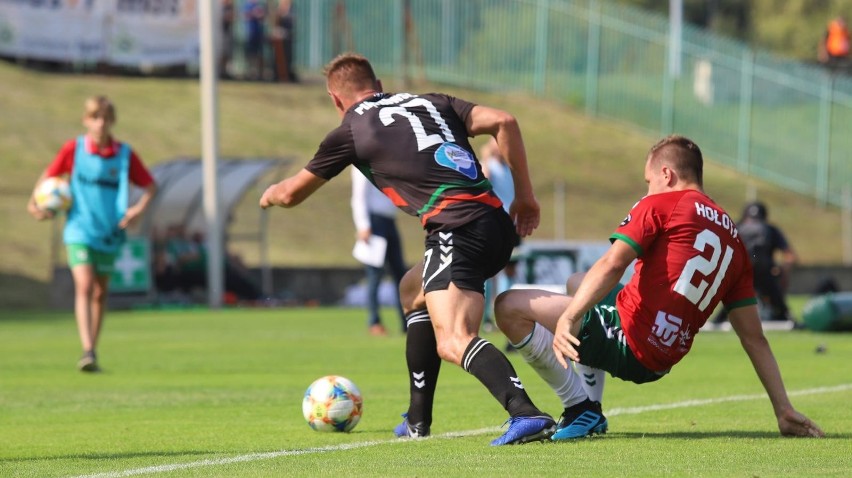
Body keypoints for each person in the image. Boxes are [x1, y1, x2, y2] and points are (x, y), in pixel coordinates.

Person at [261, 53, 554, 445]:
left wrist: (270, 196)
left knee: (453, 338)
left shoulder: (350, 129)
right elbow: (505, 121)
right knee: (410, 291)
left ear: (335, 99)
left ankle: (525, 412)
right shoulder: (434, 101)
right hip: (495, 222)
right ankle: (417, 419)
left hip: (456, 227)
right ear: (378, 85)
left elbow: (292, 193)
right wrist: (526, 198)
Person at [493, 135, 824, 441]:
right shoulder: (734, 240)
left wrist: (568, 318)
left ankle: (580, 407)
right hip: (663, 357)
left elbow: (612, 264)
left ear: (666, 174)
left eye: (649, 181)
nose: (648, 189)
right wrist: (783, 409)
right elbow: (754, 336)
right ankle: (590, 408)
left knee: (508, 306)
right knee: (578, 282)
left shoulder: (663, 205)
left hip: (630, 338)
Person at [27, 95, 157, 373]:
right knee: (84, 286)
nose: (100, 123)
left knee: (100, 292)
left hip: (110, 232)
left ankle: (92, 351)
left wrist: (137, 210)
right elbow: (50, 176)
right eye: (95, 117)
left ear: (112, 122)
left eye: (106, 118)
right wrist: (34, 202)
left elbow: (150, 186)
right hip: (79, 229)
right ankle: (86, 350)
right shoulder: (73, 149)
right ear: (86, 120)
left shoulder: (123, 154)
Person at [713, 201, 798, 325]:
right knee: (780, 308)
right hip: (766, 275)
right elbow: (790, 256)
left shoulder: (736, 227)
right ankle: (783, 314)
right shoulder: (770, 229)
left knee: (730, 302)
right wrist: (781, 270)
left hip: (741, 273)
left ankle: (719, 319)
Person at [350, 167, 408, 336]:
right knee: (375, 274)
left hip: (389, 220)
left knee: (400, 273)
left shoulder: (380, 160)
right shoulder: (360, 165)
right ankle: (374, 321)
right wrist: (363, 225)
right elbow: (358, 197)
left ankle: (406, 321)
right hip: (374, 222)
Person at [479, 137, 517, 331]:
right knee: (489, 272)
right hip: (495, 222)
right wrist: (485, 160)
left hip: (512, 223)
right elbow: (484, 184)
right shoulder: (488, 166)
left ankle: (504, 313)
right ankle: (486, 317)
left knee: (510, 270)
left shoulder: (510, 170)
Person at [270, 0, 299, 83]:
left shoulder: (291, 10)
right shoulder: (278, 9)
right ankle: (277, 74)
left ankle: (286, 74)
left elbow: (292, 20)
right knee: (278, 57)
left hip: (287, 36)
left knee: (287, 56)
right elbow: (274, 21)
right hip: (279, 37)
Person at [242, 0, 267, 80]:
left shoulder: (260, 5)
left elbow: (263, 16)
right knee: (251, 54)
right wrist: (254, 14)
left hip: (259, 33)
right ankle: (251, 72)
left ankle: (259, 73)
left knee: (259, 53)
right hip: (251, 33)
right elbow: (245, 15)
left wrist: (260, 15)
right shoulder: (247, 5)